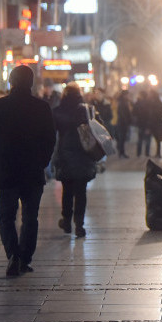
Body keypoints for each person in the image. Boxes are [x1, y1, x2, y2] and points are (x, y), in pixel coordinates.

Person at [0, 65, 56, 276]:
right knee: (30, 217)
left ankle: (13, 255)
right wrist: (42, 162)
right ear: (31, 83)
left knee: (5, 217)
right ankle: (24, 257)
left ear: (10, 81)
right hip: (32, 171)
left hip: (6, 170)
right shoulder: (42, 108)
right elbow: (50, 140)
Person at [51, 83, 99, 238]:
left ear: (64, 94)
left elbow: (51, 133)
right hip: (84, 154)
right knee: (81, 191)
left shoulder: (58, 111)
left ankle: (66, 220)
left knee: (67, 190)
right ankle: (79, 224)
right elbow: (100, 129)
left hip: (65, 155)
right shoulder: (87, 110)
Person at [114, 90, 132, 158]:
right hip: (122, 123)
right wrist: (126, 121)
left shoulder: (123, 101)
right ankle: (121, 152)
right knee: (122, 138)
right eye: (127, 95)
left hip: (122, 122)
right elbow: (122, 113)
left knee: (122, 138)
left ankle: (121, 152)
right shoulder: (122, 102)